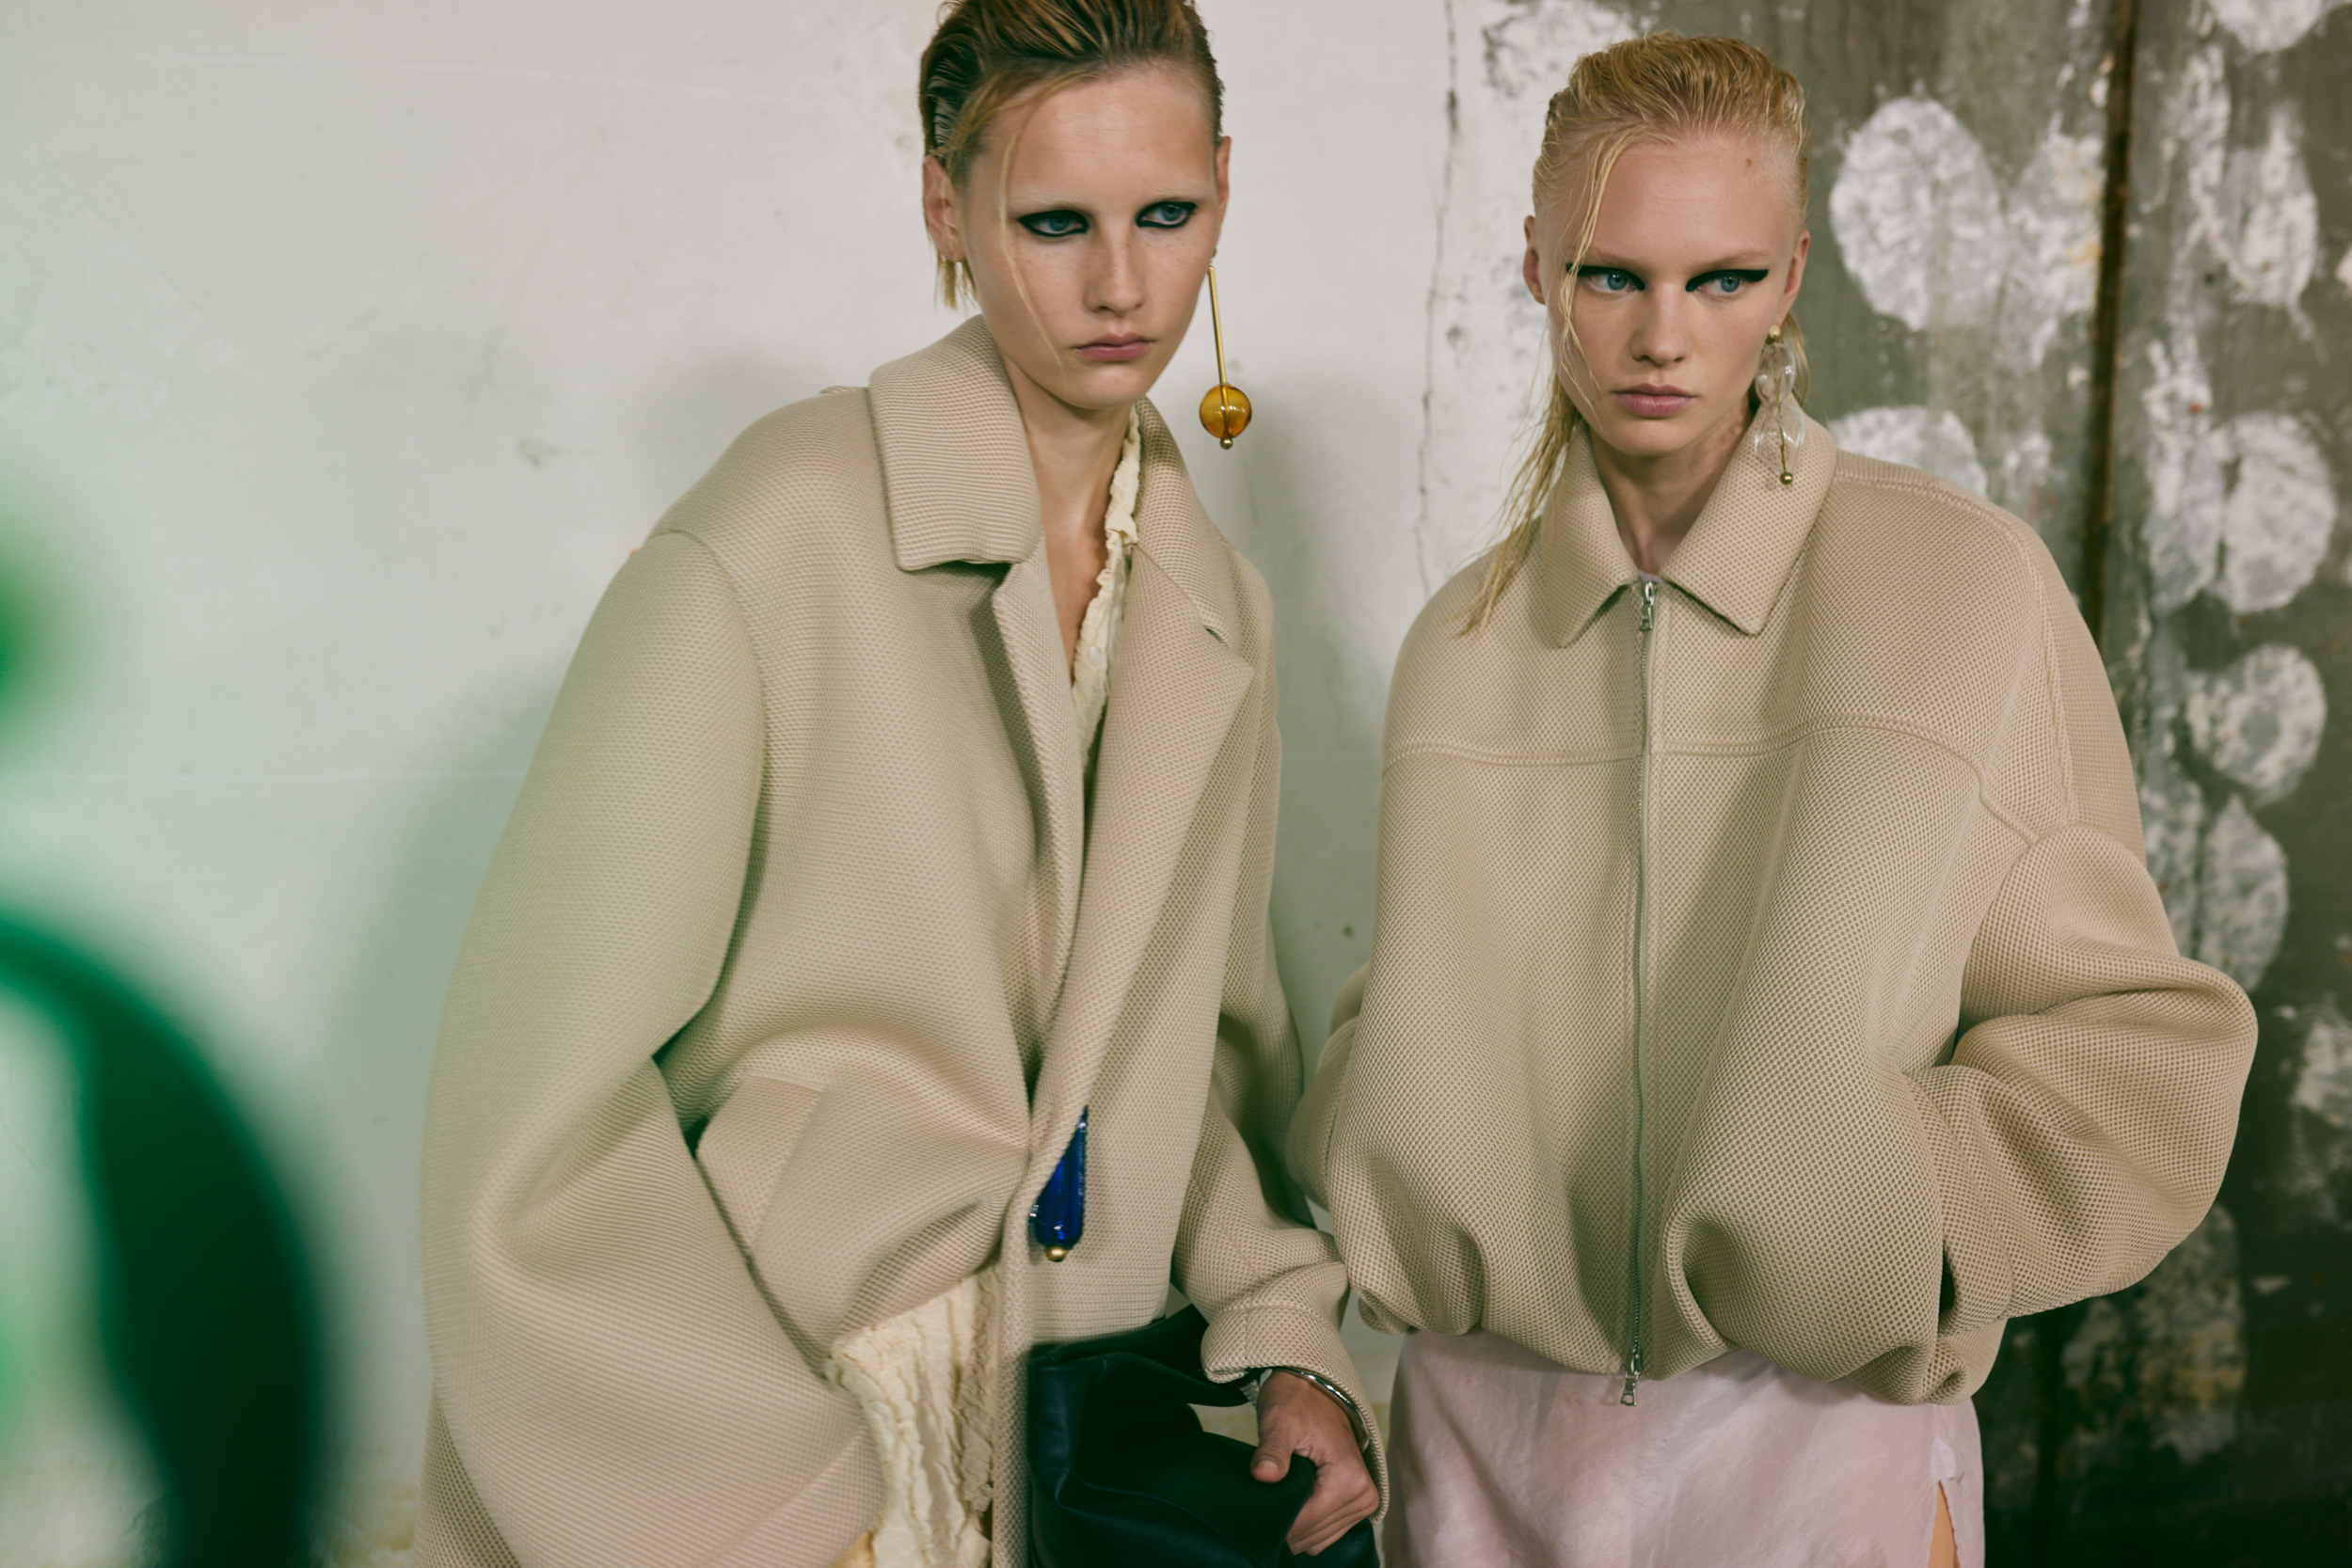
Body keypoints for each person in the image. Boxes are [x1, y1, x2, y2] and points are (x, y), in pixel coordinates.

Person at [414, 4, 1380, 1565]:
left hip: (1067, 1430)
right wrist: (770, 1496)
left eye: (1166, 214)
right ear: (946, 207)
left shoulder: (1217, 608)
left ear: (1224, 185)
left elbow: (1180, 1050)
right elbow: (533, 1107)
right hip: (791, 1418)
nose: (1121, 285)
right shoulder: (782, 523)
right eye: (1054, 222)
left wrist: (1282, 1331)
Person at [1287, 33, 2254, 1568]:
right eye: (1610, 275)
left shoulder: (1961, 591)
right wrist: (1385, 1132)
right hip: (1479, 1428)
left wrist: (1869, 1213)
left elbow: (2130, 1047)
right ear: (1536, 267)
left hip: (1811, 1430)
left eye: (1722, 279)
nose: (1663, 336)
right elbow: (1406, 1012)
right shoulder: (1461, 643)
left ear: (1792, 278)